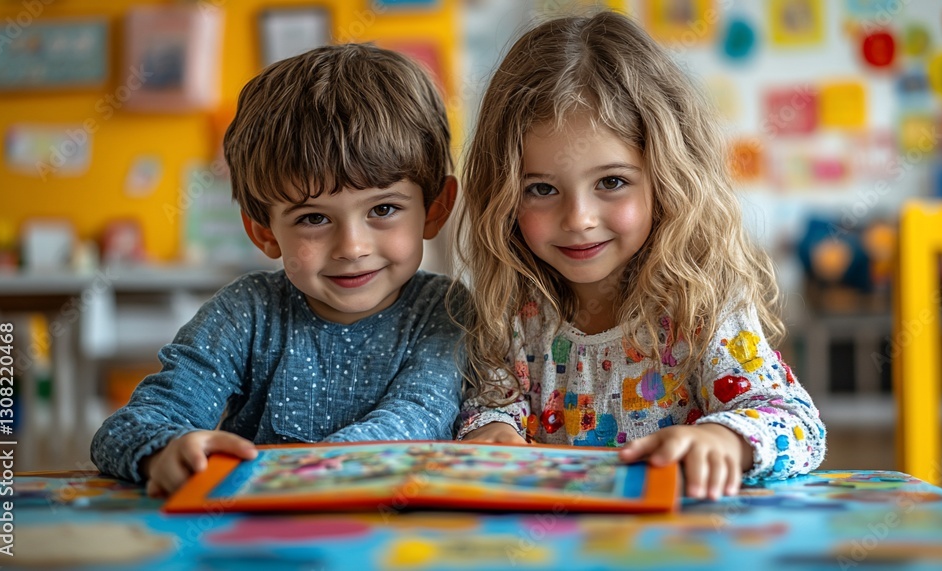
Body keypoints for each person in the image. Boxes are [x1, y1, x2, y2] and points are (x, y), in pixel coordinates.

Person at [454, 11, 826, 500]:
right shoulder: (517, 307)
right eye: (541, 189)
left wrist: (723, 439)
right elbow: (492, 403)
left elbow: (796, 424)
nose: (579, 218)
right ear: (503, 195)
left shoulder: (700, 302)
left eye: (611, 182)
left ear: (666, 179)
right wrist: (493, 429)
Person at [92, 44, 462, 497]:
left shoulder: (447, 312)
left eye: (383, 209)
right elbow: (128, 426)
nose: (352, 247)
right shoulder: (244, 313)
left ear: (434, 209)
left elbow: (415, 418)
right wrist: (166, 449)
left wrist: (310, 474)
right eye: (313, 219)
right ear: (264, 232)